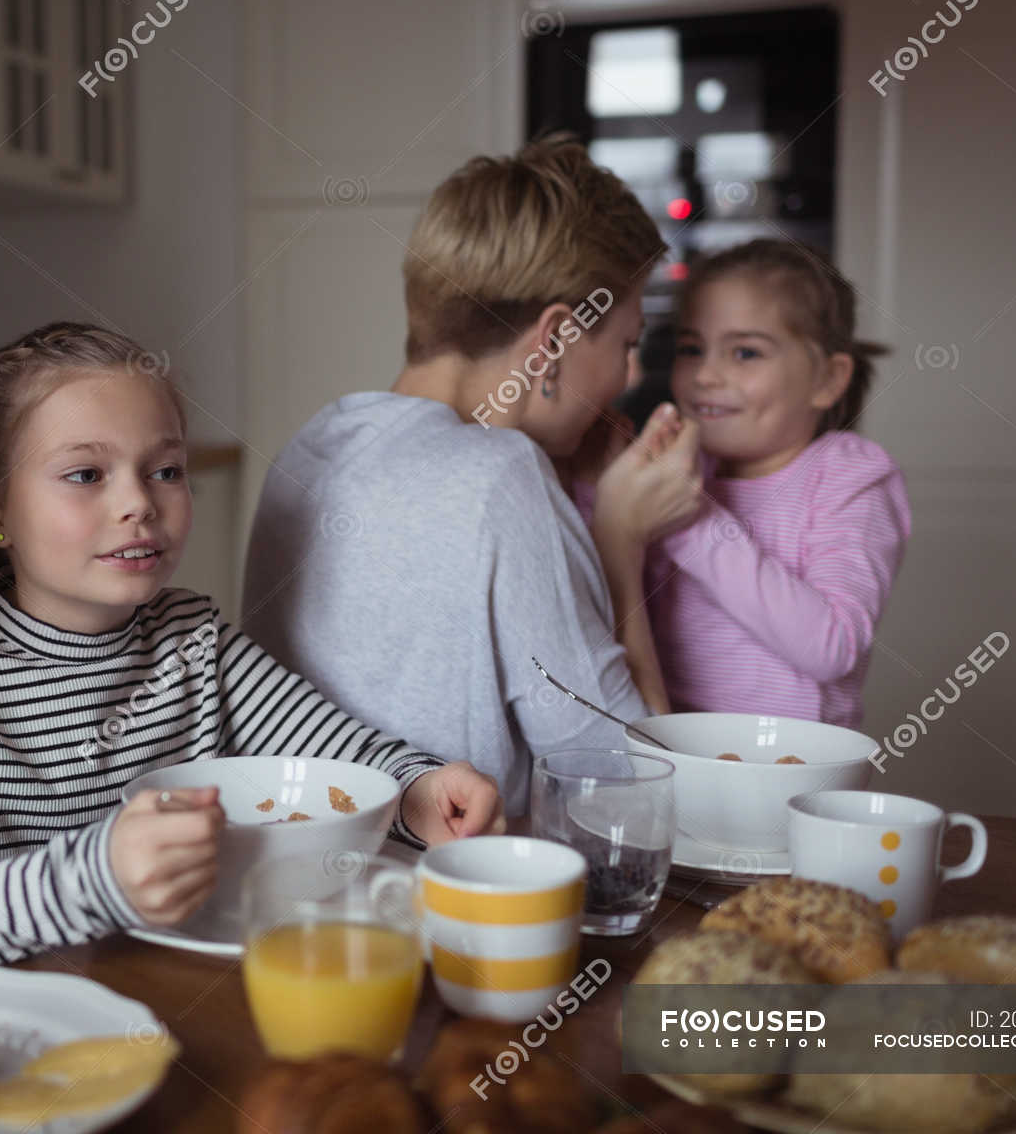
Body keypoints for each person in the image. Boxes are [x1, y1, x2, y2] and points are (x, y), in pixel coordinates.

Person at [0, 323, 500, 973]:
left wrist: (416, 793)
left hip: (180, 1012)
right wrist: (96, 879)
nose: (139, 502)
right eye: (86, 475)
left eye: (164, 470)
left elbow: (341, 758)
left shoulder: (194, 641)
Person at [242, 133, 703, 816]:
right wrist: (619, 540)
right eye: (626, 344)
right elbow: (634, 788)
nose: (630, 376)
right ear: (553, 338)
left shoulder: (311, 445)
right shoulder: (501, 475)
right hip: (450, 907)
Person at [645, 238, 910, 726]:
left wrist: (691, 519)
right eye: (691, 348)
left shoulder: (850, 477)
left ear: (827, 380)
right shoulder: (682, 467)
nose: (705, 374)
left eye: (745, 352)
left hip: (793, 777)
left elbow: (832, 646)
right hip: (678, 760)